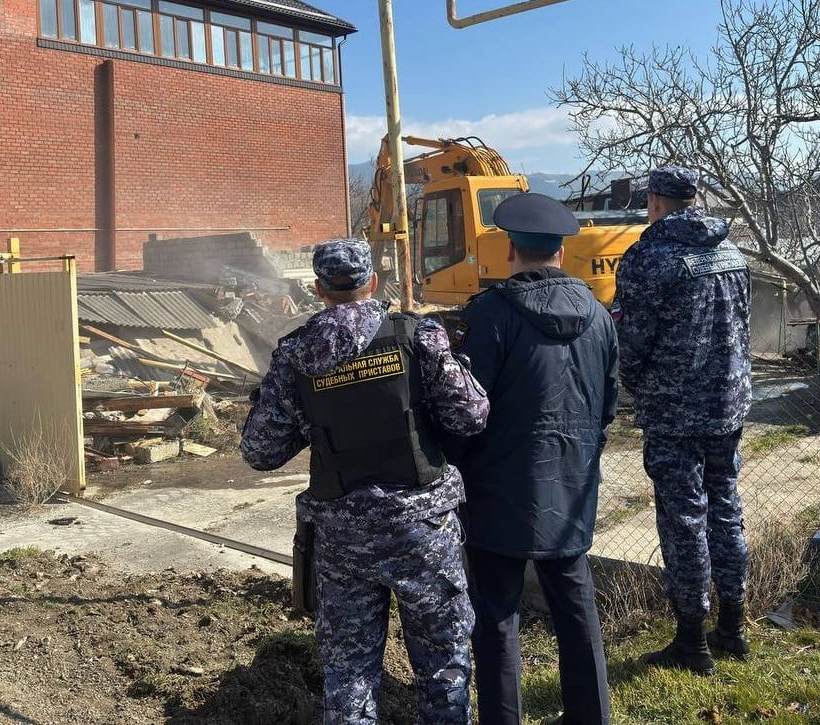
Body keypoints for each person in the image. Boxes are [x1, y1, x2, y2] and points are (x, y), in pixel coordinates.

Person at [240, 238, 489, 724]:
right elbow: (470, 415)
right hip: (422, 530)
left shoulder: (295, 354)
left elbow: (260, 451)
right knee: (443, 663)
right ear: (372, 281)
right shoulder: (417, 335)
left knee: (350, 673)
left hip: (342, 537)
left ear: (318, 289)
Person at [449, 193, 619, 725]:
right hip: (571, 487)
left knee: (497, 618)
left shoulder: (490, 316)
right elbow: (609, 404)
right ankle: (591, 716)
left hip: (498, 489)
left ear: (510, 252)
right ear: (561, 254)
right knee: (575, 608)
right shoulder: (599, 316)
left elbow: (464, 412)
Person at [612, 166, 753, 676]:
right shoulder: (732, 251)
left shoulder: (650, 257)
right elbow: (741, 325)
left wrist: (631, 383)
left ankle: (693, 643)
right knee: (727, 510)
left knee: (684, 521)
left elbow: (631, 342)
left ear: (654, 201)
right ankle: (733, 629)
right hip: (728, 404)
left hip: (675, 411)